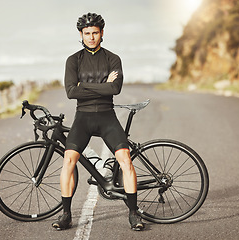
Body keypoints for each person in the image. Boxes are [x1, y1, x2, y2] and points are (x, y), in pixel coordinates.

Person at [52, 12, 144, 231]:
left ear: (102, 33)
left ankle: (133, 213)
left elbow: (115, 89)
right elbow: (71, 92)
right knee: (68, 161)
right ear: (81, 35)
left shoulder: (113, 59)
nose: (91, 37)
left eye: (95, 32)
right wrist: (97, 86)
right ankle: (66, 214)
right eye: (87, 33)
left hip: (106, 116)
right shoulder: (73, 60)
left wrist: (83, 86)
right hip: (82, 118)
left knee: (126, 160)